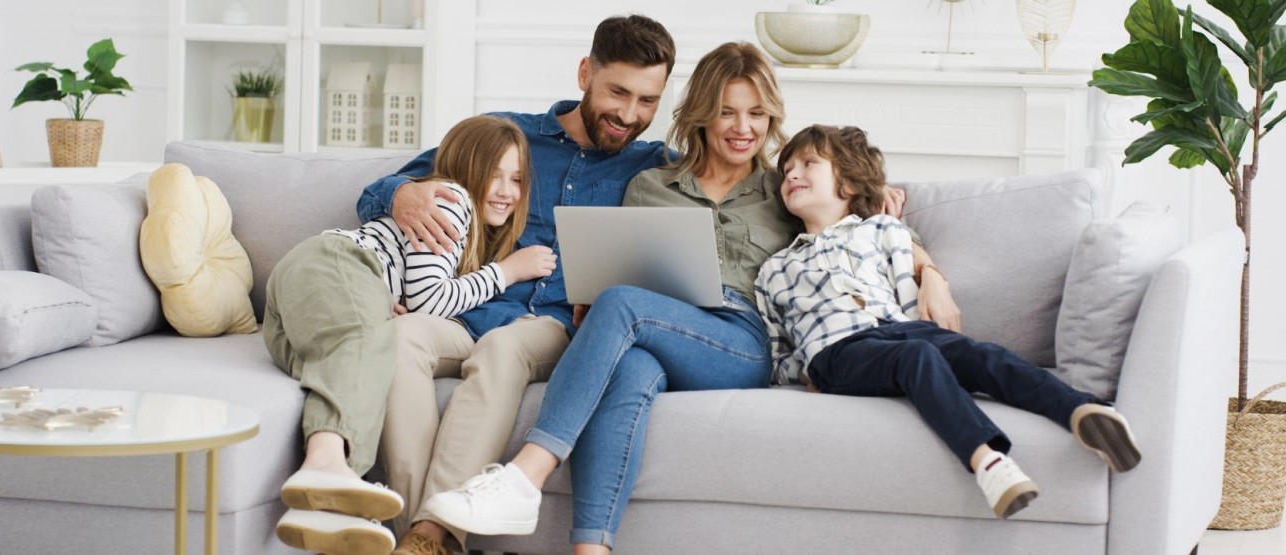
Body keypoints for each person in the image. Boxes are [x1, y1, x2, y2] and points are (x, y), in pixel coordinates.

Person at [421, 42, 959, 555]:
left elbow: (861, 220)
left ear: (772, 118)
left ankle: (524, 475)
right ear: (702, 113)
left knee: (623, 304)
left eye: (756, 114)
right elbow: (620, 264)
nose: (742, 128)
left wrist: (929, 271)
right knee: (629, 367)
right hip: (657, 326)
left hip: (739, 341)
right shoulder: (651, 184)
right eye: (727, 112)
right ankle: (591, 546)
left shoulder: (785, 187)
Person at [356, 15, 679, 555]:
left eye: (647, 101)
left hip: (551, 325)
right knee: (402, 336)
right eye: (618, 92)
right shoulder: (507, 133)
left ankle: (433, 532)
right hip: (465, 306)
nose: (629, 115)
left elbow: (748, 178)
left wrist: (866, 188)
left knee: (504, 349)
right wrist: (399, 194)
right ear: (585, 74)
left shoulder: (659, 166)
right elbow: (379, 193)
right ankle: (427, 536)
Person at [753, 124, 1143, 519]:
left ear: (850, 184)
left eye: (808, 164)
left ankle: (1084, 413)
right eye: (786, 170)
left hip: (898, 329)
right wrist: (804, 376)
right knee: (916, 356)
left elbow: (910, 285)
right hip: (836, 352)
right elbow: (778, 347)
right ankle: (987, 462)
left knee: (980, 355)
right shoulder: (776, 268)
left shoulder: (883, 230)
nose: (792, 175)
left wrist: (928, 278)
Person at [264, 115, 557, 555]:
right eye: (494, 175)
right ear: (467, 171)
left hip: (300, 301)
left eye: (516, 179)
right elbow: (429, 302)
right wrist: (507, 272)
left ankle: (360, 517)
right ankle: (326, 463)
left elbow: (417, 295)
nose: (506, 191)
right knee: (368, 339)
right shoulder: (451, 200)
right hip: (339, 262)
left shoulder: (467, 225)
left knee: (353, 361)